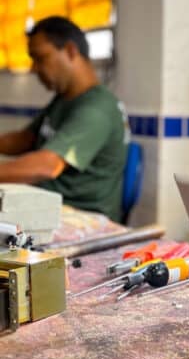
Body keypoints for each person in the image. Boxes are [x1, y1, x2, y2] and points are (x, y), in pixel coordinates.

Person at [0, 16, 129, 221]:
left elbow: (47, 166)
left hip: (82, 218)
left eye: (40, 58)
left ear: (70, 50)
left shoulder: (97, 108)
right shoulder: (64, 99)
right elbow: (26, 139)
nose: (34, 69)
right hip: (49, 207)